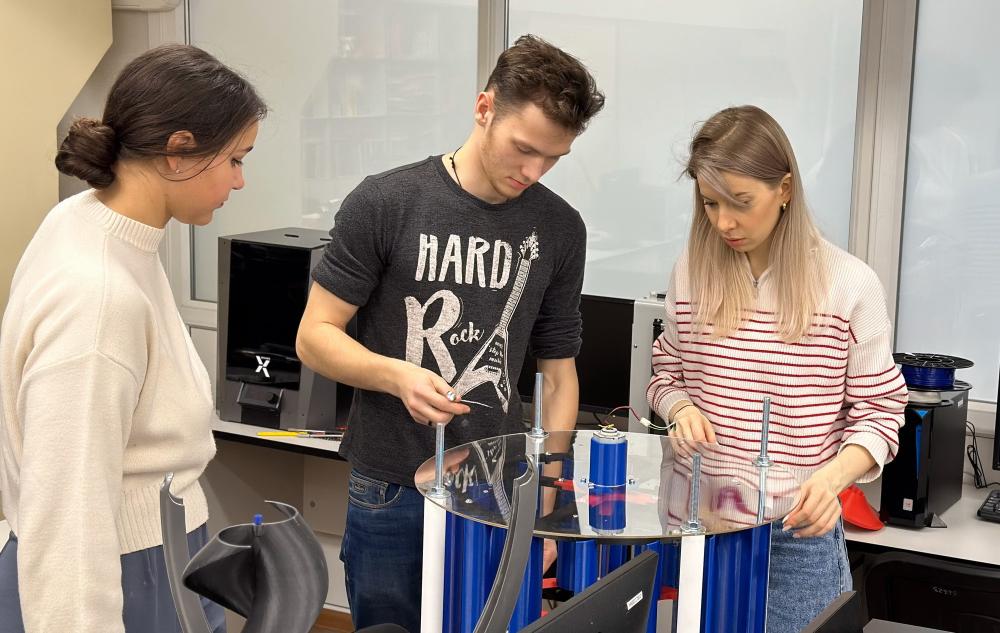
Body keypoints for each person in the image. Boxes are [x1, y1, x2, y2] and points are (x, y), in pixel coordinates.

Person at [296, 34, 604, 631]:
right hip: (389, 485)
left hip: (501, 488)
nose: (534, 171)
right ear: (484, 108)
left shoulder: (561, 229)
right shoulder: (385, 202)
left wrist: (548, 490)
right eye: (523, 149)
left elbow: (560, 376)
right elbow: (315, 336)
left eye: (554, 158)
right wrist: (396, 375)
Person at [0, 44, 265, 633]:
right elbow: (65, 511)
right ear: (178, 153)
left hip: (153, 556)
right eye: (236, 160)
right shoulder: (97, 297)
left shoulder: (87, 222)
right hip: (120, 574)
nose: (241, 181)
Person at [646, 105, 907, 632]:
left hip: (797, 537)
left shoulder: (850, 286)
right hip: (701, 525)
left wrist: (832, 480)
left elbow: (881, 413)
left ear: (784, 188)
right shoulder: (691, 273)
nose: (723, 222)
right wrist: (680, 410)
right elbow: (664, 373)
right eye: (709, 203)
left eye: (741, 203)